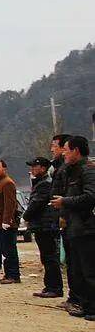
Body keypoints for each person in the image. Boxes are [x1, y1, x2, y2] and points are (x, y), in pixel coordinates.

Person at [50, 136, 95, 320]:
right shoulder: (70, 171)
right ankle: (84, 305)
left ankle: (92, 308)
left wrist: (65, 202)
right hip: (74, 228)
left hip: (87, 228)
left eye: (67, 150)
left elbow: (90, 197)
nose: (64, 154)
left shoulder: (88, 170)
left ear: (76, 150)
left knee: (89, 271)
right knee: (77, 271)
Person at [23, 157, 61, 298]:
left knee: (49, 257)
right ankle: (49, 285)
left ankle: (55, 287)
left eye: (35, 166)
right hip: (41, 225)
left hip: (45, 225)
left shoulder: (44, 184)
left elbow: (36, 203)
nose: (32, 169)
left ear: (43, 168)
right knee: (46, 257)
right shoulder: (40, 182)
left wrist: (25, 217)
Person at [49, 134, 79, 312]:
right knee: (71, 261)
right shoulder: (61, 167)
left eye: (55, 146)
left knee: (77, 263)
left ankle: (79, 299)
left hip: (71, 219)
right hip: (64, 217)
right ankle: (74, 296)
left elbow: (69, 194)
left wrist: (63, 212)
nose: (52, 149)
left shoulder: (71, 169)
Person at [0, 159, 19, 284]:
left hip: (5, 222)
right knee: (3, 249)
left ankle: (13, 275)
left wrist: (7, 220)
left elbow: (10, 204)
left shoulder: (7, 183)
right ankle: (8, 274)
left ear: (4, 169)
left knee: (9, 249)